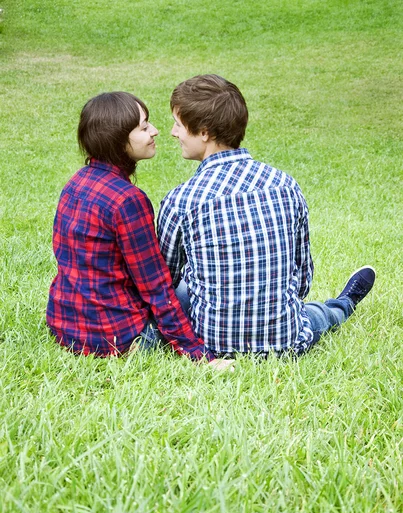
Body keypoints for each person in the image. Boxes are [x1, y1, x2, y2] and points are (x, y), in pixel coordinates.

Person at [157, 74, 376, 357]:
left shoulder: (181, 200)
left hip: (210, 345)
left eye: (178, 125)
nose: (173, 133)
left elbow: (165, 282)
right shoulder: (285, 184)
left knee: (186, 284)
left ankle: (341, 304)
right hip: (286, 342)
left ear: (204, 132)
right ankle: (344, 304)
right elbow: (302, 280)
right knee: (315, 315)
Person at [46, 91, 229, 368]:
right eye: (144, 127)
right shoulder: (127, 200)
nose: (155, 132)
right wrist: (198, 356)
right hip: (118, 337)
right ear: (119, 140)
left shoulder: (76, 183)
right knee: (192, 287)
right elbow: (157, 288)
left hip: (64, 326)